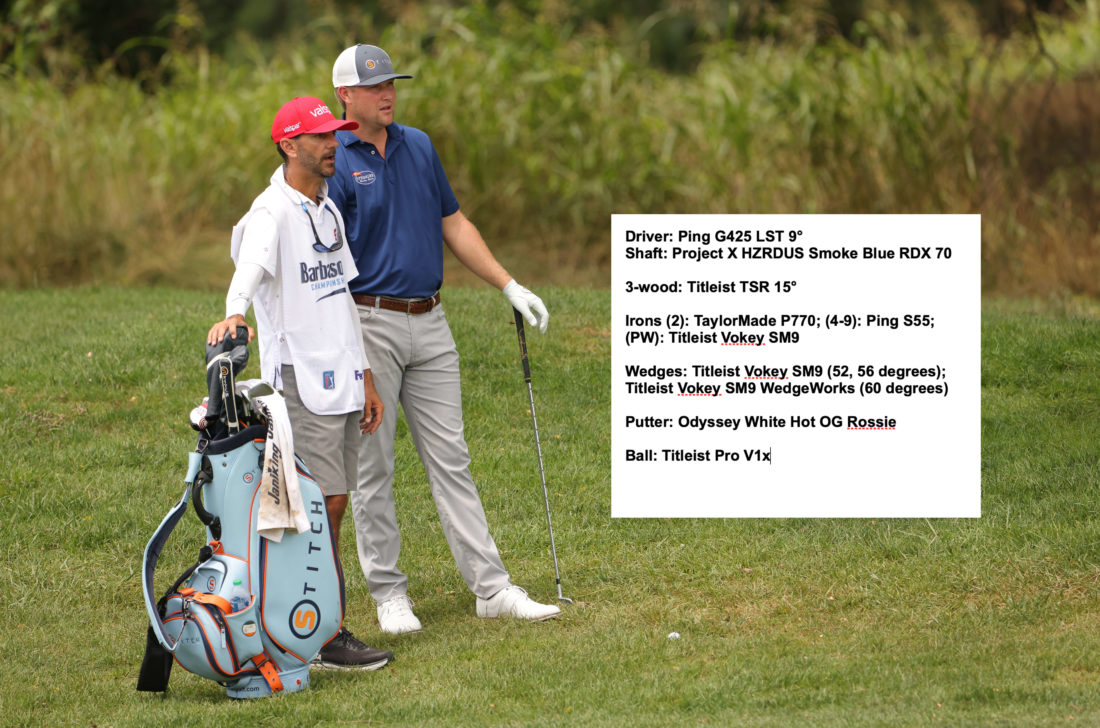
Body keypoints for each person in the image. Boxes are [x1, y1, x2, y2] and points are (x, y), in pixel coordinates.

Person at [327, 44, 562, 634]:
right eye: (375, 86)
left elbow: (452, 222)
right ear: (345, 97)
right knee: (372, 468)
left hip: (431, 321)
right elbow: (325, 258)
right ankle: (388, 593)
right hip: (368, 321)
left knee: (451, 460)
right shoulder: (336, 161)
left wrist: (507, 284)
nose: (388, 94)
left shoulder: (419, 145)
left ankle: (492, 587)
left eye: (393, 85)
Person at [206, 95, 394, 670]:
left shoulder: (327, 208)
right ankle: (320, 632)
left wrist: (364, 376)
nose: (332, 144)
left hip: (341, 378)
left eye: (334, 136)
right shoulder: (272, 213)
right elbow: (249, 274)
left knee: (327, 504)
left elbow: (341, 302)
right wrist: (234, 313)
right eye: (319, 138)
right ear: (289, 146)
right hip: (299, 380)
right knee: (319, 505)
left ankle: (302, 621)